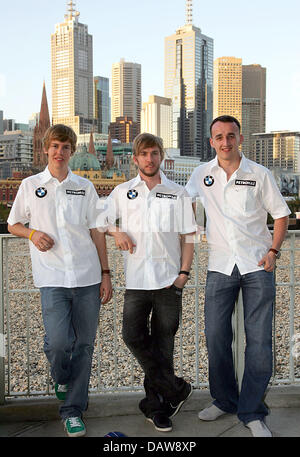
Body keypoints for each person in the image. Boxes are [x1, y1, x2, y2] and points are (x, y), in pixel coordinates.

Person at [185, 115, 290, 437]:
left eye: (231, 135)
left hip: (257, 265)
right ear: (212, 142)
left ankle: (253, 412)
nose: (225, 141)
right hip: (219, 265)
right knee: (216, 336)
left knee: (258, 342)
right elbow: (180, 201)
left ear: (240, 138)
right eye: (219, 136)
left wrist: (273, 252)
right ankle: (225, 400)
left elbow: (281, 214)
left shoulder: (259, 174)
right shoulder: (201, 174)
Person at [7, 124, 112, 437]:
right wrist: (33, 233)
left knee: (85, 345)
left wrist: (106, 274)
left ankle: (72, 411)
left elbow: (96, 230)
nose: (59, 152)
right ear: (45, 149)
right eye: (54, 146)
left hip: (87, 274)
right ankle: (61, 376)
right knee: (58, 344)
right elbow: (13, 223)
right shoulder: (30, 185)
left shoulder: (85, 186)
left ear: (71, 150)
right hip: (51, 276)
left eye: (65, 147)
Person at [105, 132, 197, 432]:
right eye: (144, 153)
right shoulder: (122, 191)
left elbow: (188, 238)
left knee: (163, 346)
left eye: (154, 153)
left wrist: (183, 274)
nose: (149, 158)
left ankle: (157, 407)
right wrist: (115, 232)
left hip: (169, 281)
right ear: (135, 158)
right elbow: (98, 219)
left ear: (161, 157)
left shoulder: (178, 193)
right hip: (136, 281)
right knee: (131, 336)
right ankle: (176, 388)